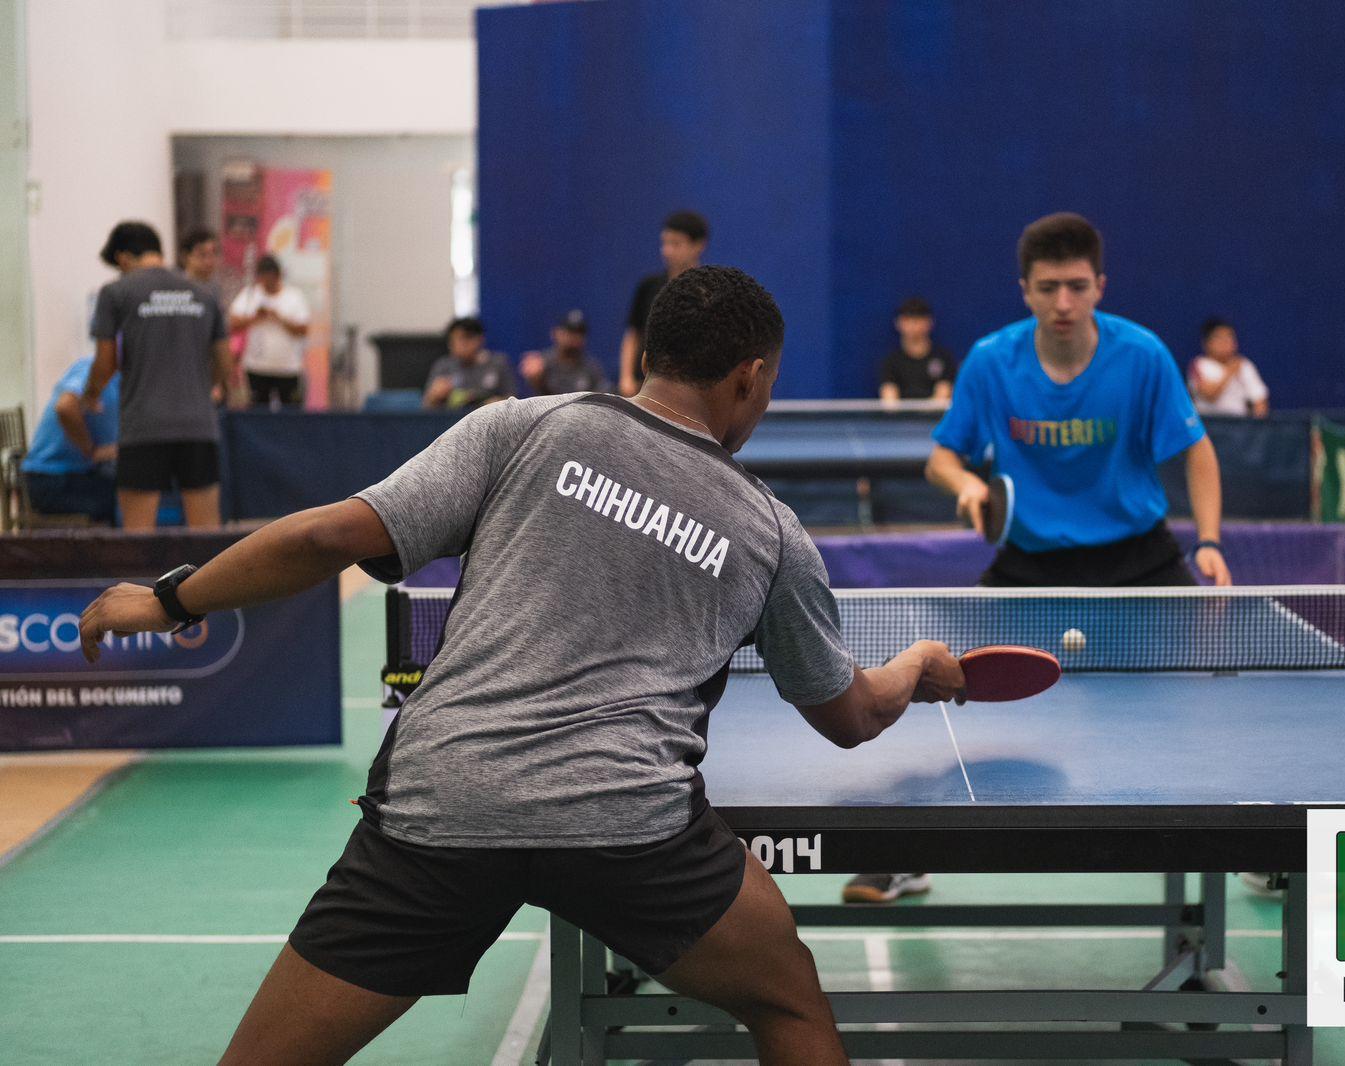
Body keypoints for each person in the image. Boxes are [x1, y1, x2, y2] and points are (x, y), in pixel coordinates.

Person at [77, 265, 965, 1066]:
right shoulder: (770, 531)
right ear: (752, 376)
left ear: (647, 354)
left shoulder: (522, 426)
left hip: (444, 806)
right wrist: (914, 664)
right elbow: (851, 717)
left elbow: (323, 537)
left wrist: (168, 601)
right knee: (789, 1001)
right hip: (627, 822)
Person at [842, 212, 1233, 906]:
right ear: (1024, 289)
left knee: (1210, 696)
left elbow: (1196, 451)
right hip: (1028, 565)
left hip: (1140, 562)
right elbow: (941, 457)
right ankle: (905, 852)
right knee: (942, 689)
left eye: (1077, 287)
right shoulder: (992, 361)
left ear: (1100, 286)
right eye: (1048, 288)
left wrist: (1208, 541)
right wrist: (966, 486)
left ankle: (1256, 842)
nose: (1063, 303)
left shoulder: (1142, 356)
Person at [81, 220, 230, 530]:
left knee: (138, 538)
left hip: (143, 428)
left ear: (123, 258)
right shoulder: (203, 294)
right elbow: (224, 363)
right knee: (206, 537)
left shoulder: (115, 292)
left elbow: (106, 362)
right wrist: (203, 388)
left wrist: (91, 394)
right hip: (198, 427)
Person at [619, 211, 709, 397]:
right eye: (665, 243)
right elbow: (634, 334)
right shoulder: (649, 286)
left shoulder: (709, 289)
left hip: (690, 388)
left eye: (676, 244)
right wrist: (626, 377)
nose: (667, 251)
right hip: (644, 385)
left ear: (698, 245)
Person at [20, 358, 120, 524]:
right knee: (132, 498)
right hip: (51, 479)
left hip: (73, 476)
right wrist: (91, 451)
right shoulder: (92, 369)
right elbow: (65, 406)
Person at [229, 256, 311, 408]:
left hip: (288, 368)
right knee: (257, 411)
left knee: (291, 412)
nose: (267, 283)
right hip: (256, 367)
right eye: (263, 279)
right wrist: (256, 317)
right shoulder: (250, 295)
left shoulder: (293, 296)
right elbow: (232, 324)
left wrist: (279, 317)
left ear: (278, 276)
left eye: (270, 279)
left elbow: (303, 329)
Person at [423, 317, 517, 409]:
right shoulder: (443, 366)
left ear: (480, 339)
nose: (459, 345)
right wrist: (434, 396)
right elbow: (426, 405)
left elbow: (512, 398)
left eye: (466, 338)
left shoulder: (498, 363)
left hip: (489, 415)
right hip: (453, 417)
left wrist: (499, 403)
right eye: (454, 340)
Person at [878, 297, 957, 403]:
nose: (913, 325)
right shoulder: (891, 362)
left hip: (936, 414)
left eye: (918, 319)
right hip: (901, 415)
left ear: (929, 322)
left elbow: (941, 399)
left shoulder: (944, 359)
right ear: (898, 323)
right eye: (908, 319)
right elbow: (889, 401)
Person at [1188, 317, 1269, 417]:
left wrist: (1258, 423)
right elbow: (1209, 395)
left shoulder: (1244, 365)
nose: (1225, 342)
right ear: (1207, 343)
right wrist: (1230, 371)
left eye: (1229, 337)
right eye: (1219, 338)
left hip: (1239, 422)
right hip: (1207, 421)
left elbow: (1259, 399)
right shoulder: (1198, 364)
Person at [519, 309, 613, 395]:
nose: (574, 338)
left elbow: (602, 396)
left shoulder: (592, 367)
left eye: (579, 333)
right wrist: (535, 380)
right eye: (569, 332)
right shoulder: (542, 362)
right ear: (556, 333)